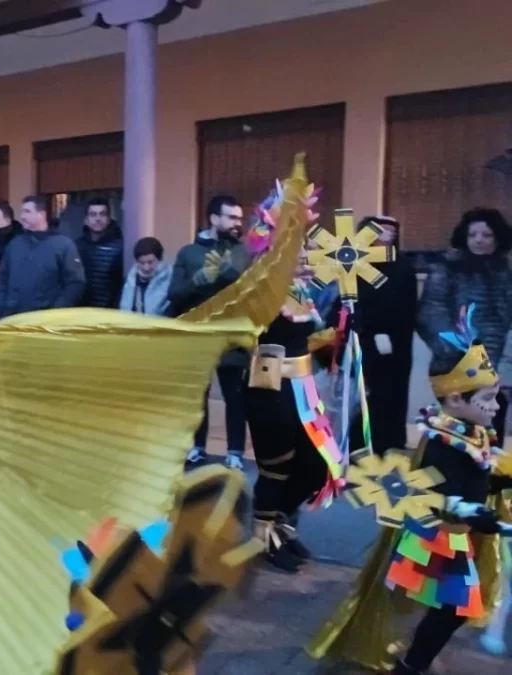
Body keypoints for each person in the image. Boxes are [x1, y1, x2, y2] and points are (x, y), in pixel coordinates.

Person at [308, 306, 512, 674]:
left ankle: (412, 659)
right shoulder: (442, 441)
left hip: (454, 535)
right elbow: (440, 496)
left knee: (447, 609)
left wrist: (498, 482)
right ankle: (410, 663)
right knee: (449, 608)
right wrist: (475, 513)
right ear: (454, 401)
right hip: (435, 538)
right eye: (488, 399)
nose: (496, 407)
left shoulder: (472, 432)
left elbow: (477, 475)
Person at [245, 217, 345, 573]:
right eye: (295, 249)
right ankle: (263, 538)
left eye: (305, 247)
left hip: (302, 388)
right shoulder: (260, 287)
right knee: (277, 468)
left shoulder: (300, 289)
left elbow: (302, 339)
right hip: (269, 388)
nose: (305, 255)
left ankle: (281, 526)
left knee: (315, 465)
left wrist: (336, 336)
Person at [418, 208, 512, 444]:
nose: (479, 240)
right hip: (457, 364)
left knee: (492, 428)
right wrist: (455, 350)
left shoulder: (505, 270)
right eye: (473, 235)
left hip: (498, 363)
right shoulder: (448, 267)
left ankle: (492, 476)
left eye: (486, 235)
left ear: (498, 238)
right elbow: (431, 310)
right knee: (457, 430)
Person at [170, 195, 250, 469]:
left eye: (239, 218)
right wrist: (197, 281)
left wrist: (229, 274)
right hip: (198, 333)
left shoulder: (243, 252)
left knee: (234, 395)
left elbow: (251, 292)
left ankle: (236, 452)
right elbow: (174, 294)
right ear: (214, 218)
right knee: (197, 395)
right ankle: (197, 447)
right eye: (230, 217)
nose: (236, 223)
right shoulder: (188, 252)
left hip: (231, 333)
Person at [343, 217, 418, 454]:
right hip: (361, 340)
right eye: (380, 231)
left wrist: (390, 333)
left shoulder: (403, 266)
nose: (386, 236)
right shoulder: (354, 265)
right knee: (362, 397)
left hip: (395, 345)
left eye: (391, 232)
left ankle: (390, 445)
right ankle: (358, 446)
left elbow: (408, 307)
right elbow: (349, 301)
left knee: (392, 396)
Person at [0, 195, 85, 318]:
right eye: (22, 212)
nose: (22, 216)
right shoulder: (15, 244)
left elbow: (76, 283)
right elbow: (2, 277)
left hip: (45, 320)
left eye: (27, 211)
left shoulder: (63, 245)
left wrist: (56, 311)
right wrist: (1, 307)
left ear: (41, 214)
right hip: (13, 318)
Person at [75, 198, 124, 308]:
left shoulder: (120, 247)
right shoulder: (76, 246)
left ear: (108, 219)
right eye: (93, 214)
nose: (98, 219)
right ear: (86, 220)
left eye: (102, 214)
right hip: (81, 312)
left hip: (109, 312)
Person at [118, 236, 171, 316]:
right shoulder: (129, 280)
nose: (146, 268)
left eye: (150, 262)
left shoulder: (171, 279)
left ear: (160, 259)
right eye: (141, 263)